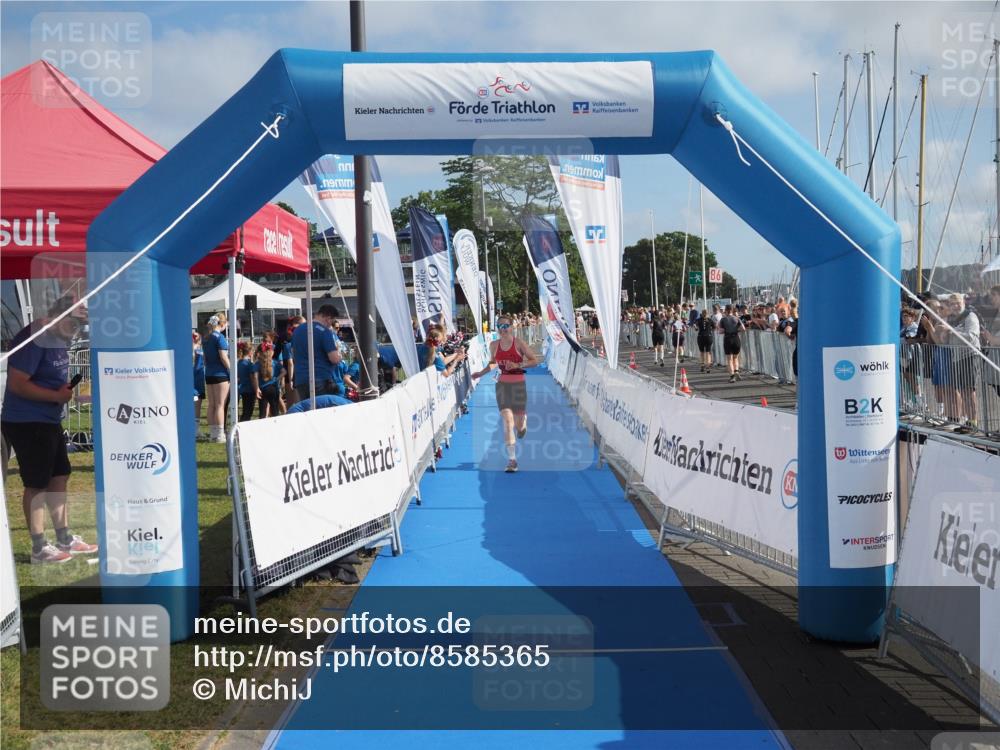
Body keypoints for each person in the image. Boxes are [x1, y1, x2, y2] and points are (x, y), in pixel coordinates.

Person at [1, 297, 98, 564]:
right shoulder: (35, 337)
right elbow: (17, 385)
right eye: (74, 323)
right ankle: (39, 547)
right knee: (37, 483)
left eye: (80, 325)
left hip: (48, 420)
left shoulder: (58, 337)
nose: (77, 330)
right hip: (27, 421)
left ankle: (64, 538)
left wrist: (64, 392)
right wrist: (54, 396)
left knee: (59, 476)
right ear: (58, 314)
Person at [472, 314, 540, 473]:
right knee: (507, 421)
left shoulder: (519, 343)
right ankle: (512, 460)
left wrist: (518, 364)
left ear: (512, 327)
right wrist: (480, 374)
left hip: (518, 386)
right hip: (502, 386)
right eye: (499, 326)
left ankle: (523, 424)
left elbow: (534, 361)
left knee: (518, 425)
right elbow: (492, 363)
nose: (502, 329)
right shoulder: (493, 345)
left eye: (505, 326)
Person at [292, 304, 343, 401]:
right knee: (322, 412)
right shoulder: (325, 332)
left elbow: (293, 353)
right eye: (331, 321)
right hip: (320, 378)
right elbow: (334, 359)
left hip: (301, 379)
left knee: (307, 411)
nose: (330, 325)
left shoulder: (298, 330)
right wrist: (339, 355)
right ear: (328, 318)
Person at [201, 313, 230, 443]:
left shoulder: (206, 338)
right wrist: (231, 370)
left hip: (209, 373)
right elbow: (223, 357)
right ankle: (219, 434)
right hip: (220, 374)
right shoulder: (220, 338)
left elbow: (206, 359)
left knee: (211, 405)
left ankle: (213, 433)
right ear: (222, 324)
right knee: (220, 405)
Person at [718, 305, 746, 382]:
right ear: (732, 310)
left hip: (728, 339)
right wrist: (736, 330)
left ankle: (732, 376)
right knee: (735, 357)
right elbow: (743, 329)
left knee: (729, 359)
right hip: (736, 338)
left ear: (726, 310)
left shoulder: (723, 320)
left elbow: (720, 331)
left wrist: (726, 330)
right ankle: (736, 371)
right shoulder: (737, 318)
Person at [282, 316, 303, 406]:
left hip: (292, 374)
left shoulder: (288, 345)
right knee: (297, 400)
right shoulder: (303, 344)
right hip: (297, 372)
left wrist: (290, 379)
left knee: (292, 401)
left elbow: (290, 363)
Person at [236, 341, 257, 422]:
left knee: (245, 411)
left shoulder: (239, 362)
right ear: (250, 352)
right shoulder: (249, 364)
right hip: (250, 390)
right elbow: (253, 378)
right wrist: (256, 389)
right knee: (248, 412)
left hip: (243, 389)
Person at [192, 331, 206, 435]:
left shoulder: (202, 348)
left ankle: (196, 429)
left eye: (197, 335)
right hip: (191, 380)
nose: (195, 336)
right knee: (192, 404)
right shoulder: (190, 348)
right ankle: (193, 428)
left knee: (197, 404)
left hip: (199, 380)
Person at [694, 308, 715, 373]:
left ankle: (702, 365)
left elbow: (696, 328)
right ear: (707, 314)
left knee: (702, 352)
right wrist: (710, 329)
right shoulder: (710, 320)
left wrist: (696, 327)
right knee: (708, 352)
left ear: (702, 314)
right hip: (708, 336)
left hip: (701, 337)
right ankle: (708, 366)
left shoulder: (698, 320)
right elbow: (714, 327)